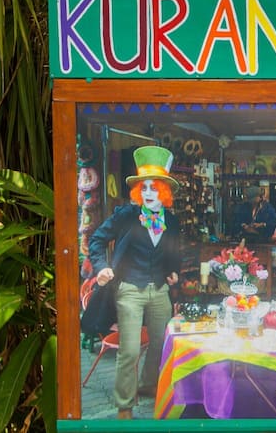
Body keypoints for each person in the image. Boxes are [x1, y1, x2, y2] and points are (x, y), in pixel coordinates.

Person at [87, 146, 181, 419]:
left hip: (160, 291)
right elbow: (97, 240)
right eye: (145, 187)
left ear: (163, 191)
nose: (149, 192)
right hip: (129, 289)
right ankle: (124, 405)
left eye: (155, 187)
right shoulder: (126, 215)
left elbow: (173, 251)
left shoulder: (172, 221)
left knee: (159, 345)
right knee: (128, 351)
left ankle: (149, 386)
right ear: (139, 190)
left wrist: (173, 271)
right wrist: (102, 267)